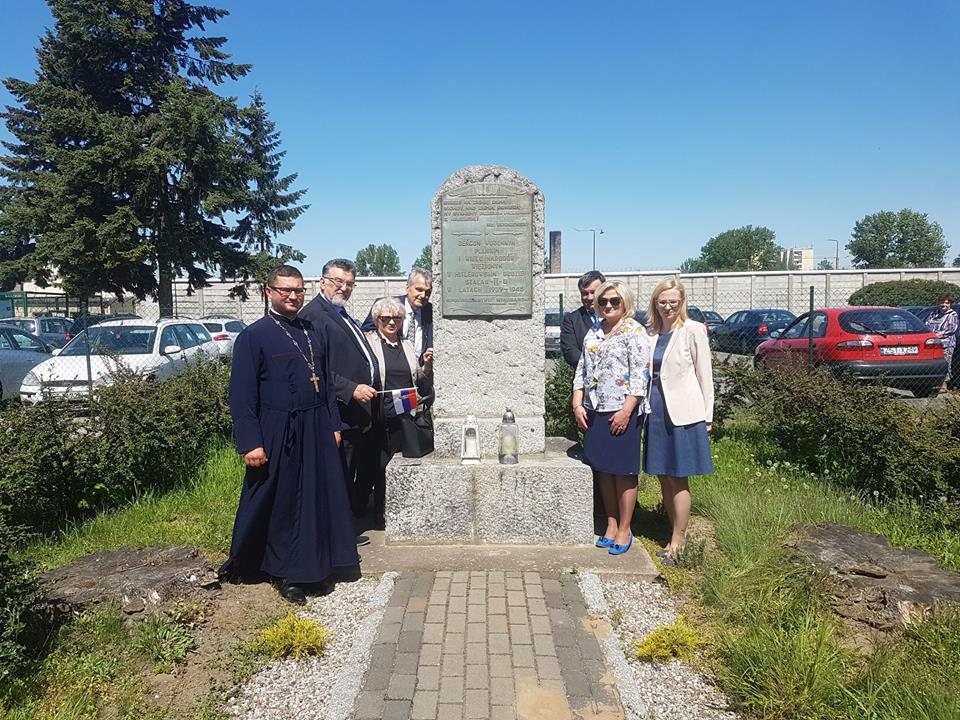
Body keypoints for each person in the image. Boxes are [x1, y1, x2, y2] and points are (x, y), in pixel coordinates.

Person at [220, 265, 358, 605]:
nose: (293, 296)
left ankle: (318, 563)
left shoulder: (313, 331)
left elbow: (325, 384)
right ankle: (286, 572)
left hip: (316, 426)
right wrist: (251, 443)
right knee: (284, 502)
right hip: (278, 429)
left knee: (316, 497)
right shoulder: (254, 336)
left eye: (298, 290)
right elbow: (241, 395)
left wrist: (333, 425)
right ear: (269, 292)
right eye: (286, 290)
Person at [299, 259, 381, 536]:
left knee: (350, 474)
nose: (344, 288)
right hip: (339, 414)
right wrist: (351, 389)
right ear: (322, 282)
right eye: (338, 282)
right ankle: (335, 535)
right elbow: (314, 369)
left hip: (357, 414)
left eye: (349, 284)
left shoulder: (340, 312)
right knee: (338, 477)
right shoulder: (314, 316)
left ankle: (344, 530)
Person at [572, 281, 650, 556]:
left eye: (614, 301)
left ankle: (625, 528)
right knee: (604, 470)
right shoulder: (594, 331)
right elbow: (582, 369)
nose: (608, 305)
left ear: (625, 302)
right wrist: (577, 402)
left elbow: (641, 374)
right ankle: (611, 523)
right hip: (595, 409)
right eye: (603, 301)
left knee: (623, 471)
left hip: (623, 410)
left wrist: (626, 410)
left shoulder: (634, 331)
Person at [643, 279, 714, 565]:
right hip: (655, 411)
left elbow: (704, 374)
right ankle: (671, 531)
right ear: (655, 303)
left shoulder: (693, 330)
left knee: (678, 475)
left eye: (673, 301)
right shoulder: (650, 333)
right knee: (663, 474)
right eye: (662, 302)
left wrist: (707, 415)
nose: (668, 307)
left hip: (684, 413)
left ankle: (679, 541)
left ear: (681, 302)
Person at [364, 296, 434, 527]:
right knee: (381, 467)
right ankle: (380, 512)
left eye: (397, 318)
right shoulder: (369, 343)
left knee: (406, 463)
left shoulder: (406, 345)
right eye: (386, 318)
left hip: (406, 415)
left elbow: (418, 378)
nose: (392, 322)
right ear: (377, 320)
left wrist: (427, 364)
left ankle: (407, 511)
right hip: (381, 415)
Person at [361, 267, 434, 365]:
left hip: (421, 368)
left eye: (428, 292)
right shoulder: (387, 305)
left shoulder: (432, 312)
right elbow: (366, 332)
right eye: (419, 290)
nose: (423, 295)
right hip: (390, 367)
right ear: (407, 287)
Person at [560, 270, 606, 369]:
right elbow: (570, 353)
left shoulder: (614, 316)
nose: (589, 297)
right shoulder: (572, 320)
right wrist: (597, 366)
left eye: (593, 292)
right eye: (585, 293)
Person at [924, 294, 958, 393]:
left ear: (950, 304)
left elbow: (951, 329)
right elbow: (927, 324)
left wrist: (938, 334)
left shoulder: (952, 315)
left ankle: (944, 385)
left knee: (945, 364)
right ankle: (932, 384)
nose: (944, 304)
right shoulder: (934, 314)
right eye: (942, 302)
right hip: (933, 344)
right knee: (933, 364)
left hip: (946, 344)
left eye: (947, 303)